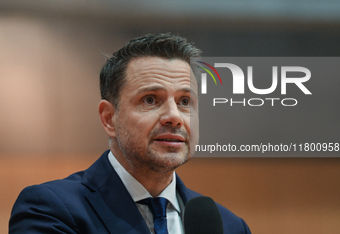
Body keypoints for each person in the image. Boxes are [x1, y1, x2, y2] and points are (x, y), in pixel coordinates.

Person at [9, 33, 251, 234]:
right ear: (109, 119)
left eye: (185, 101)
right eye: (150, 100)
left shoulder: (231, 227)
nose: (175, 117)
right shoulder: (50, 209)